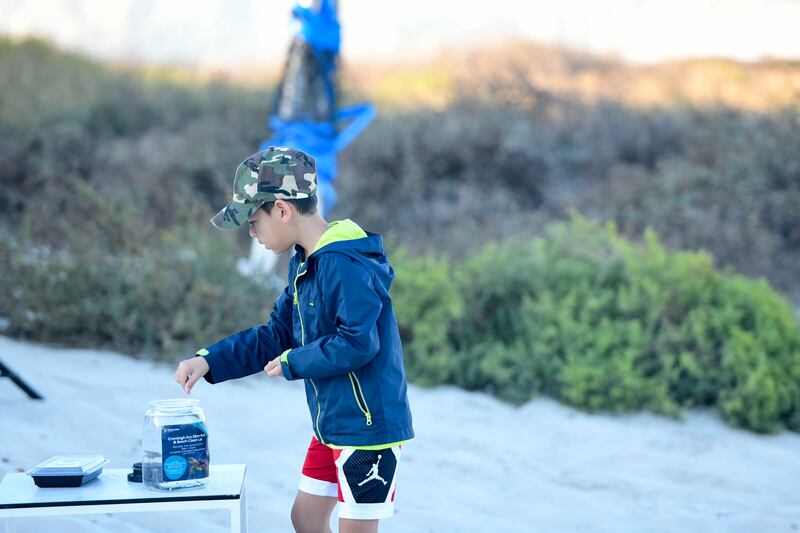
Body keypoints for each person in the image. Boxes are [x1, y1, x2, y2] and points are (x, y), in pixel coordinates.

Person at [174, 146, 414, 533]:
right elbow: (277, 335)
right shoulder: (304, 261)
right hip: (330, 424)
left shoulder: (343, 264)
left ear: (282, 210)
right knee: (304, 518)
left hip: (368, 430)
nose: (252, 233)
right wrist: (209, 360)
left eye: (254, 222)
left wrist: (294, 362)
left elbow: (358, 343)